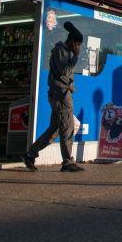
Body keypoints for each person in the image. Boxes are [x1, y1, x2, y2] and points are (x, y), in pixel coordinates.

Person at [24, 21, 84, 172]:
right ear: (72, 42)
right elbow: (64, 72)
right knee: (66, 127)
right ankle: (67, 162)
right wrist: (75, 57)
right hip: (61, 95)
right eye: (77, 45)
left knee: (55, 129)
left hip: (60, 94)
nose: (78, 48)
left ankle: (31, 154)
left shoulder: (64, 52)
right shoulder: (61, 51)